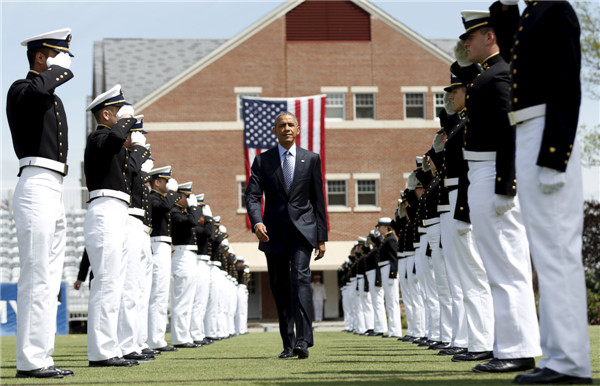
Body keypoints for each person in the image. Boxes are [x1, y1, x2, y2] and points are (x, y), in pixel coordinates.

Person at [490, 1, 593, 384]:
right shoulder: (534, 13)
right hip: (528, 130)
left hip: (548, 131)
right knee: (547, 255)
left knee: (557, 254)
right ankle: (558, 358)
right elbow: (512, 36)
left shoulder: (556, 10)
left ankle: (570, 364)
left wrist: (555, 155)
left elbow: (568, 83)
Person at [454, 10, 541, 373]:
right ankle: (507, 344)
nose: (465, 44)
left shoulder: (500, 73)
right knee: (497, 269)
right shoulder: (486, 76)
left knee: (508, 267)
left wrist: (507, 186)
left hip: (493, 174)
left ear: (490, 36)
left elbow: (512, 132)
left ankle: (518, 349)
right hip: (481, 174)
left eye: (471, 37)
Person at [7, 27, 75, 379]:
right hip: (34, 182)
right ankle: (30, 361)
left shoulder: (48, 94)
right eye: (58, 55)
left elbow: (45, 91)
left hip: (55, 186)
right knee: (36, 276)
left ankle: (42, 356)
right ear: (40, 57)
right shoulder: (23, 89)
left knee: (49, 278)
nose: (65, 64)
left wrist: (56, 71)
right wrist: (58, 70)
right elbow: (37, 88)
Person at [245, 111, 328, 359]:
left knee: (301, 279)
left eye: (291, 124)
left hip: (304, 230)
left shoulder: (311, 159)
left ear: (298, 130)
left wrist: (321, 237)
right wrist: (257, 222)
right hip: (273, 233)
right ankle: (288, 344)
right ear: (275, 131)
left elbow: (318, 200)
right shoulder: (263, 161)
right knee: (280, 287)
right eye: (282, 125)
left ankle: (303, 339)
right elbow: (252, 195)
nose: (287, 128)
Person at [84, 84, 141, 367]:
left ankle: (111, 347)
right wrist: (129, 120)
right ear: (106, 114)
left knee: (116, 284)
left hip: (117, 210)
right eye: (119, 112)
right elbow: (114, 140)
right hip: (105, 209)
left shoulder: (112, 139)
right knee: (106, 283)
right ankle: (101, 352)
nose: (123, 119)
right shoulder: (98, 137)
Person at [147, 166, 179, 352]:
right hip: (156, 245)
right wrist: (174, 193)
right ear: (157, 182)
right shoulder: (152, 198)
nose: (168, 184)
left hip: (163, 246)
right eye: (166, 181)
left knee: (161, 295)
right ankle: (154, 339)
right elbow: (165, 207)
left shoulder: (160, 199)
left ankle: (157, 338)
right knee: (157, 294)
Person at [169, 182, 202, 348]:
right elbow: (192, 222)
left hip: (189, 256)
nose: (188, 200)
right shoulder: (174, 212)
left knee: (188, 300)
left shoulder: (182, 212)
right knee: (182, 300)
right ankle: (180, 338)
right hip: (182, 256)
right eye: (186, 196)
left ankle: (185, 335)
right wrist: (194, 208)